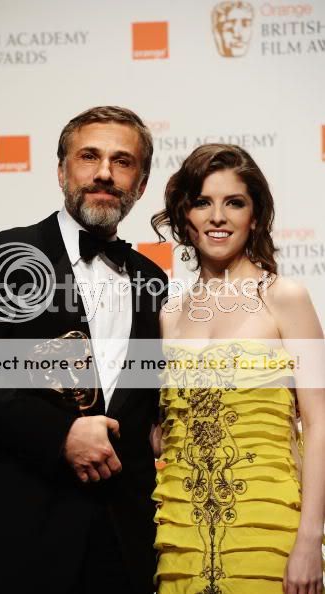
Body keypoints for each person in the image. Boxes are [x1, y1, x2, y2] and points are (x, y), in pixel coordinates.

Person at [0, 106, 168, 594]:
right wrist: (61, 434)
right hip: (29, 541)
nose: (105, 172)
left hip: (128, 547)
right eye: (89, 156)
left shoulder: (152, 279)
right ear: (62, 169)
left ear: (141, 183)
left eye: (122, 161)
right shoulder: (7, 257)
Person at [151, 144, 325, 594]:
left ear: (256, 216)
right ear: (183, 216)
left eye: (234, 202)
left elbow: (321, 422)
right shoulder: (169, 313)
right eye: (202, 202)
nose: (218, 217)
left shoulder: (285, 297)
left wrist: (310, 539)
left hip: (268, 527)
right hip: (181, 531)